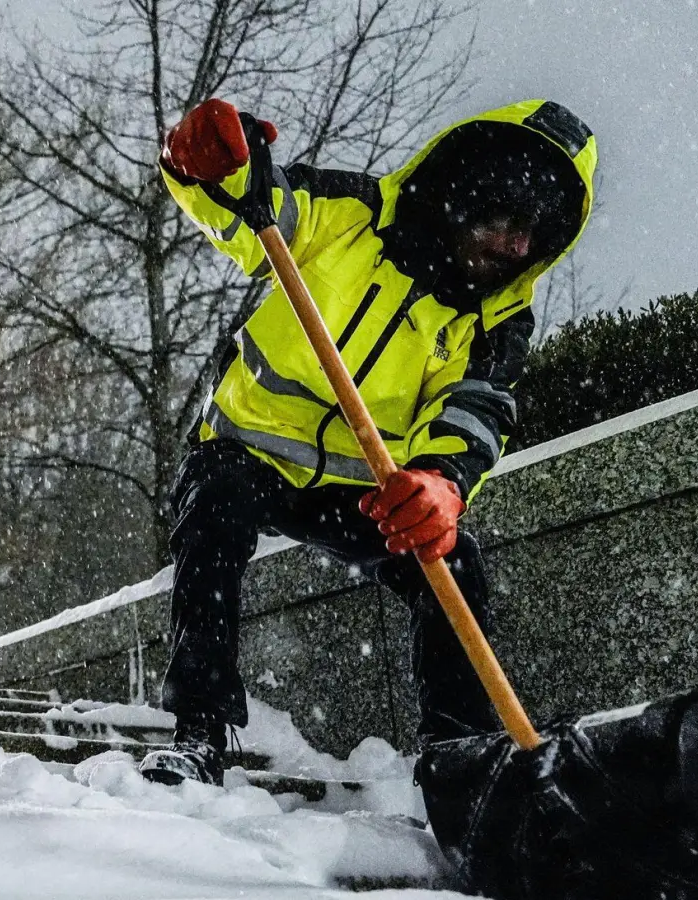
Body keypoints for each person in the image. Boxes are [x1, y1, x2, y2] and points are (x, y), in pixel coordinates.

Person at [140, 99, 595, 785]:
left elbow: (475, 412)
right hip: (248, 452)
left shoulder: (496, 322)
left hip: (363, 491)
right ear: (465, 195)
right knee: (214, 511)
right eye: (503, 220)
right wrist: (205, 163)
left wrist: (441, 483)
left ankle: (458, 762)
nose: (515, 247)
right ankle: (199, 730)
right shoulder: (349, 212)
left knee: (455, 569)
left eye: (532, 233)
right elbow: (248, 206)